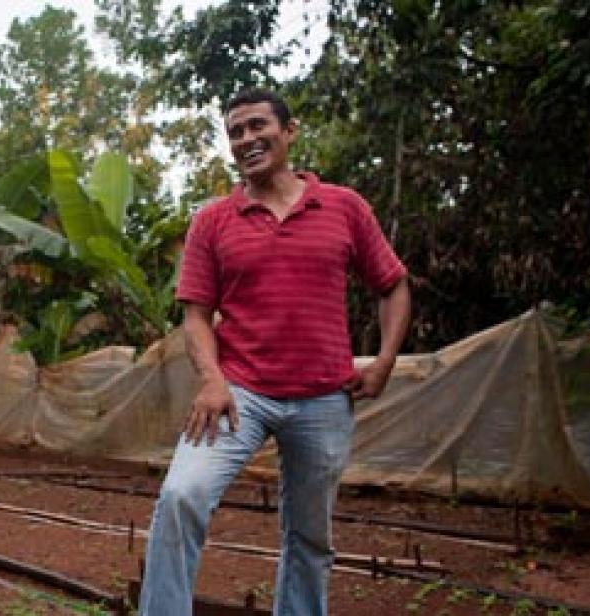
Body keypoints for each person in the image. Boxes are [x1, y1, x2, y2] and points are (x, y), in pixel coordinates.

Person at [139, 89, 411, 615]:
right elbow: (195, 315)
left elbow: (393, 285)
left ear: (289, 131)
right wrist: (212, 379)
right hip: (237, 393)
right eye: (235, 133)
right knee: (181, 496)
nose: (246, 139)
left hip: (324, 400)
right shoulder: (214, 221)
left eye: (257, 126)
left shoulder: (344, 207)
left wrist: (383, 361)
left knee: (310, 538)